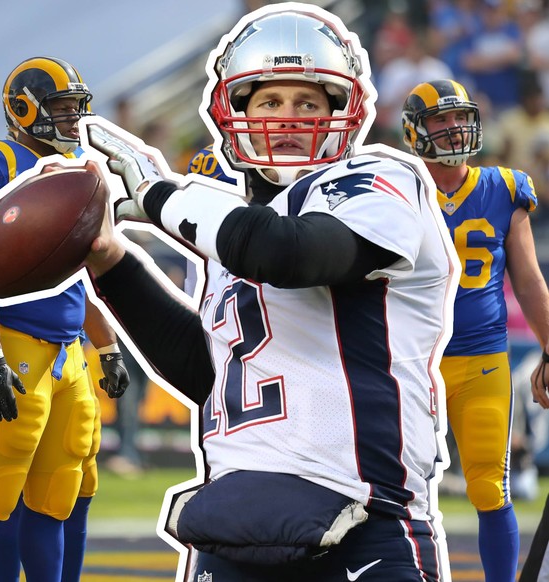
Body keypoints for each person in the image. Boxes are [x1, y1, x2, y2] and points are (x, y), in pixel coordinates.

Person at [75, 4, 457, 580]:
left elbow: (291, 254)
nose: (287, 118)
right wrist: (112, 263)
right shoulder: (238, 226)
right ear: (236, 112)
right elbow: (212, 373)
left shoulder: (380, 182)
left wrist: (160, 196)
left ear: (341, 112)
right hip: (236, 523)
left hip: (363, 521)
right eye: (269, 102)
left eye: (307, 102)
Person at [0, 56, 129, 582]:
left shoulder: (75, 169)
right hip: (13, 340)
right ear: (23, 107)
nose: (72, 118)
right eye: (61, 107)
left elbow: (80, 276)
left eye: (77, 107)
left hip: (67, 351)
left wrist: (107, 344)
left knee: (57, 494)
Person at [402, 78, 549, 582]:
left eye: (458, 117)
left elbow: (529, 281)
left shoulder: (504, 188)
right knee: (393, 491)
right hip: (407, 361)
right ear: (414, 131)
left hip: (481, 358)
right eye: (439, 120)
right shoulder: (391, 190)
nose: (452, 128)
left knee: (489, 487)